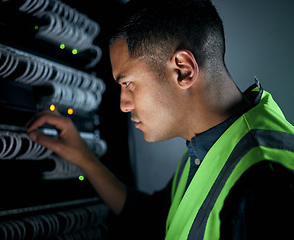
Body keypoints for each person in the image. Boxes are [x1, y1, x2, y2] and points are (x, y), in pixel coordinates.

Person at [26, 0, 294, 239]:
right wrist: (83, 158)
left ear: (183, 70)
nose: (123, 104)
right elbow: (157, 219)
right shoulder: (209, 145)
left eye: (128, 83)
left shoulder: (265, 186)